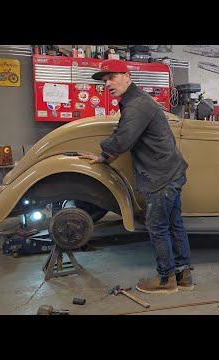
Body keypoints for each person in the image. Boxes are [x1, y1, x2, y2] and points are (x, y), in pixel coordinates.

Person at [78, 59, 192, 294]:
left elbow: (122, 139)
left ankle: (166, 280)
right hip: (171, 171)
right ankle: (184, 276)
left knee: (157, 226)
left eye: (112, 77)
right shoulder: (134, 101)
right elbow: (125, 136)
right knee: (173, 225)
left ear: (127, 76)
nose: (107, 83)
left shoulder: (137, 104)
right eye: (105, 80)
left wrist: (104, 148)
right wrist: (104, 156)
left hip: (160, 176)